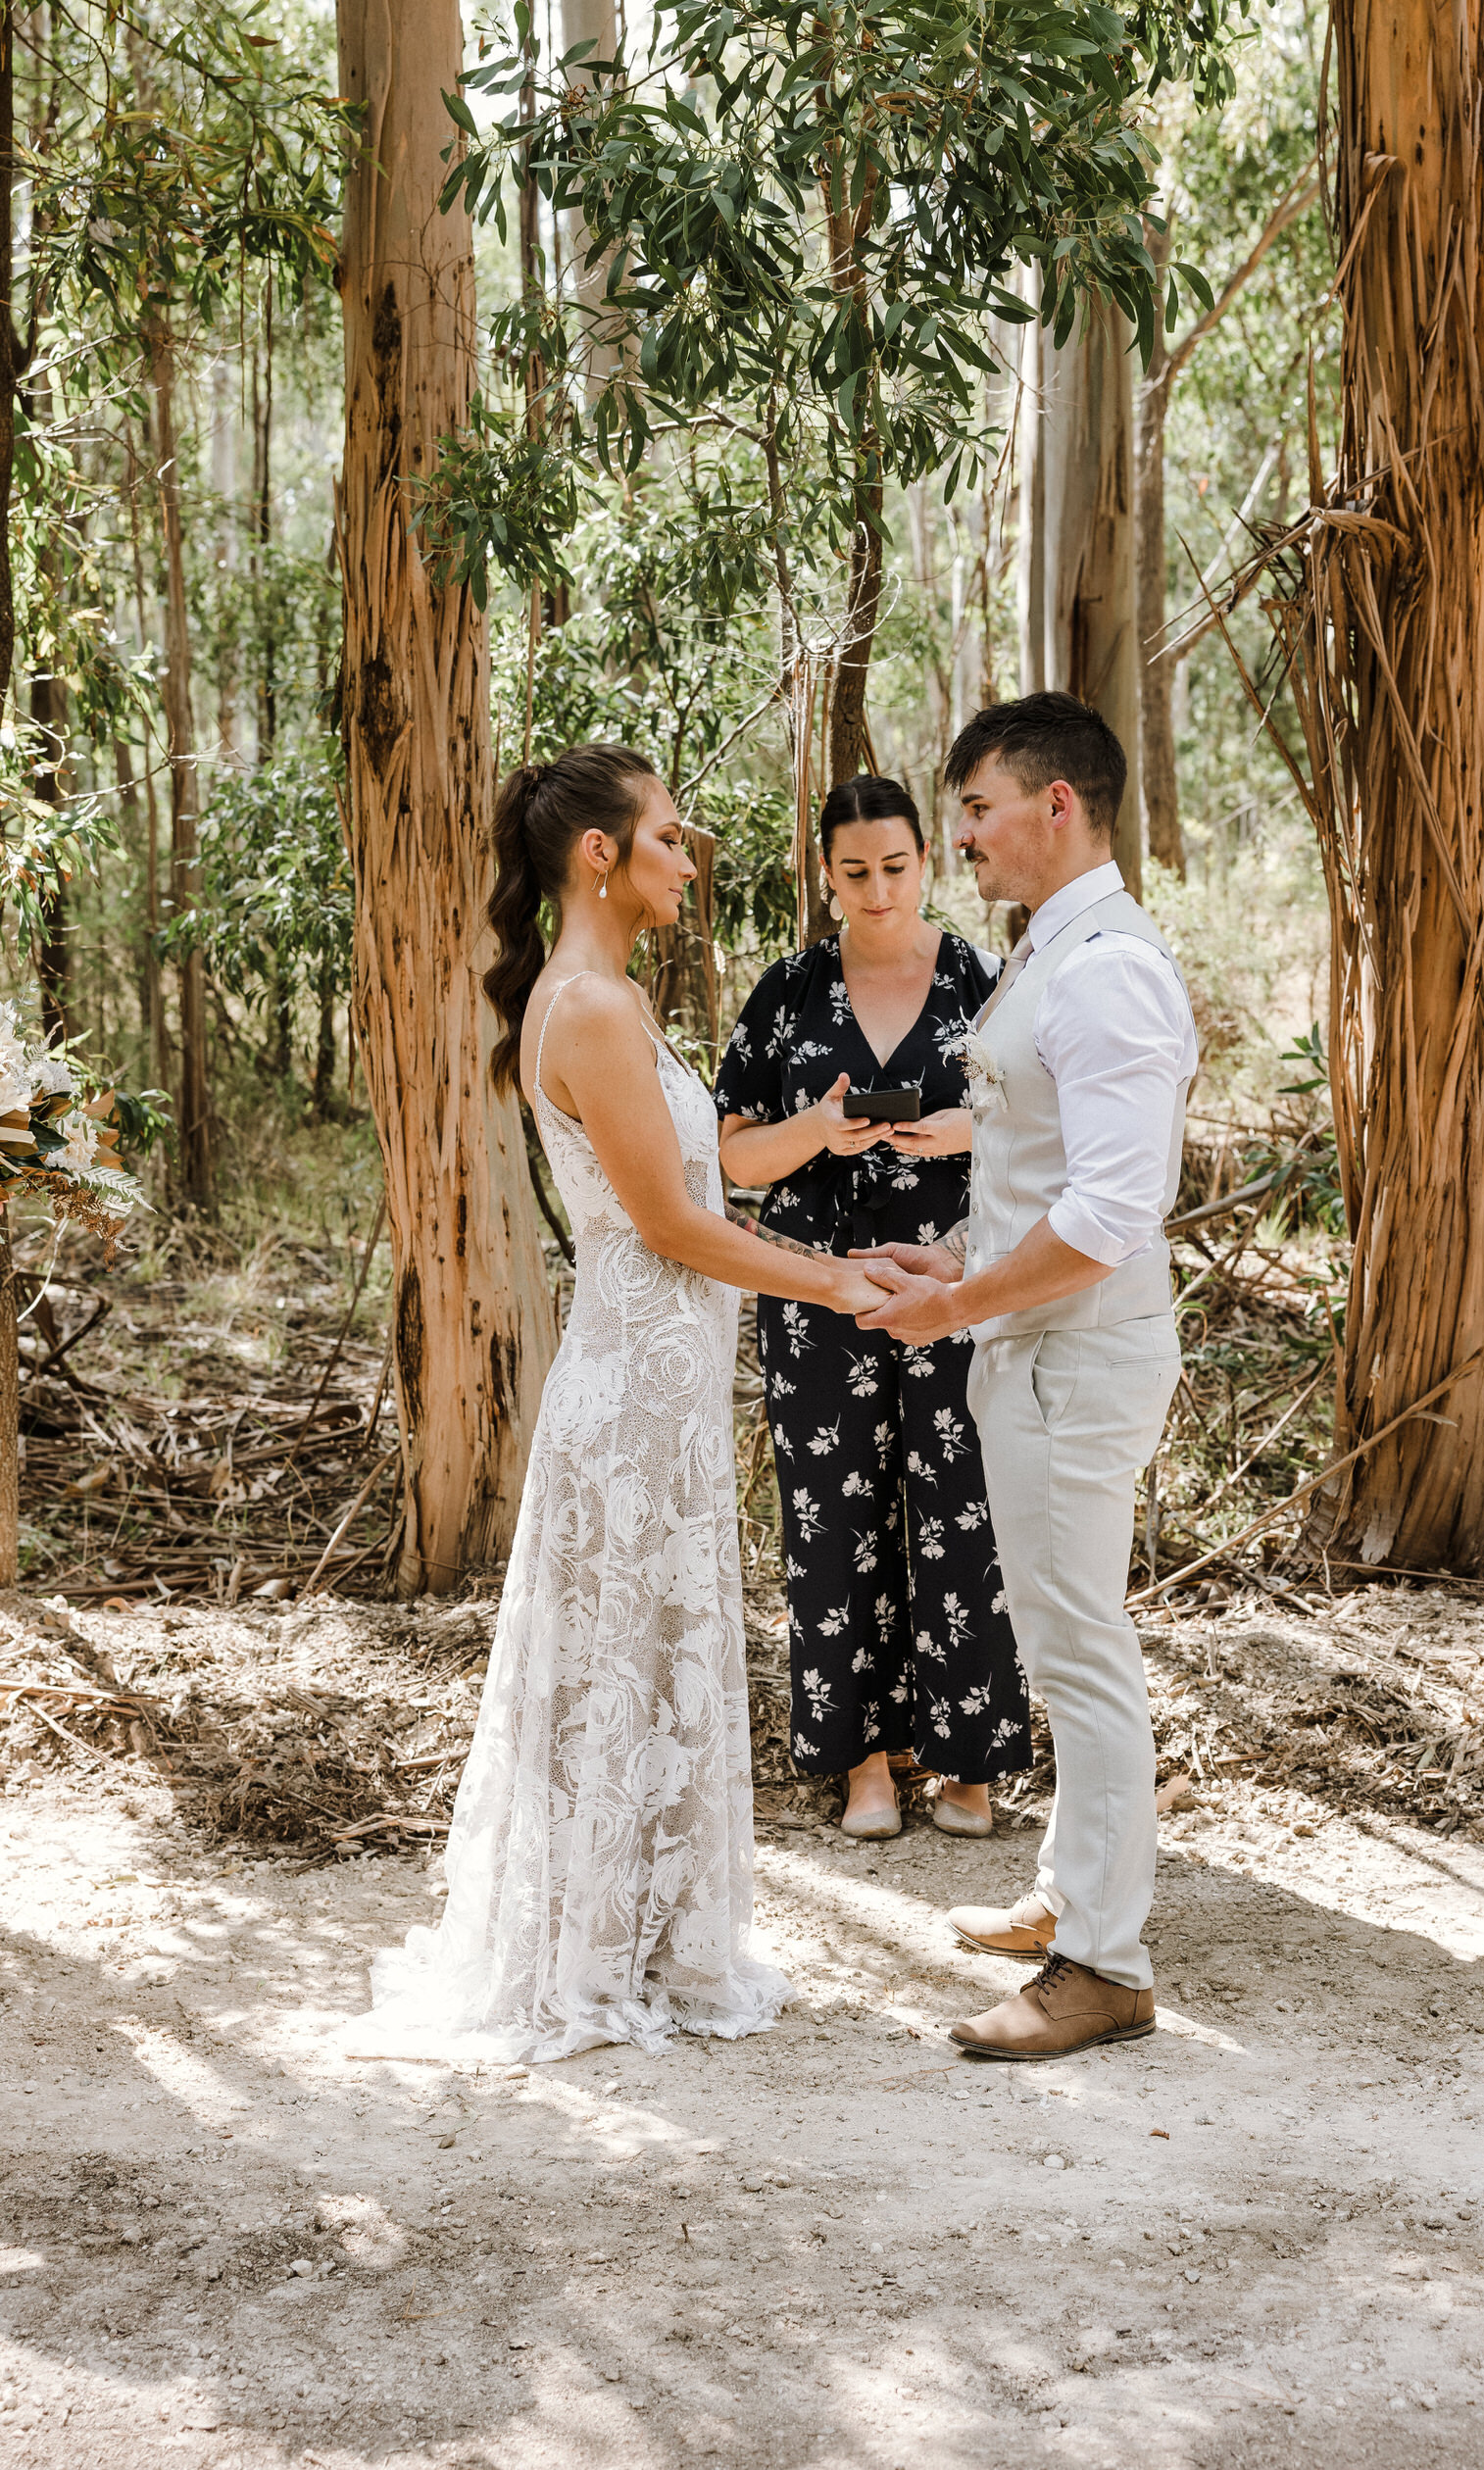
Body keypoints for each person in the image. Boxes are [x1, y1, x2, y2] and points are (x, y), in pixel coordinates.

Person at [360, 746, 883, 2062]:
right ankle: (596, 1952)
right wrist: (832, 1280)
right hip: (633, 1394)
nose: (689, 857)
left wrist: (819, 1129)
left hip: (664, 1382)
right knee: (621, 1669)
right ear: (600, 854)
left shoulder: (610, 999)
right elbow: (669, 1225)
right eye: (668, 836)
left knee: (647, 1661)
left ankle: (637, 1930)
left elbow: (702, 1170)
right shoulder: (587, 1007)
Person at [853, 694, 1198, 2061]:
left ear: (1059, 805)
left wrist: (962, 1309)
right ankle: (1071, 1892)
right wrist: (951, 1268)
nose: (967, 839)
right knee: (1064, 1638)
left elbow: (1114, 1213)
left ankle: (1104, 1965)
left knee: (1081, 1652)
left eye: (982, 810)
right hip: (1029, 1341)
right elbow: (1038, 1174)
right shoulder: (1056, 949)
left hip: (1073, 1353)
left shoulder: (1109, 965)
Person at [716, 775, 1032, 1840]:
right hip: (818, 1292)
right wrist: (818, 1130)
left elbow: (1052, 1136)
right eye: (854, 872)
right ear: (825, 873)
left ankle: (969, 1762)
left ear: (927, 862)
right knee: (832, 1523)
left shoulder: (988, 982)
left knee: (962, 1514)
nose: (878, 889)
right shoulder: (789, 990)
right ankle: (863, 1764)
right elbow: (731, 1152)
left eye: (896, 867)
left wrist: (963, 1135)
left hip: (956, 1283)